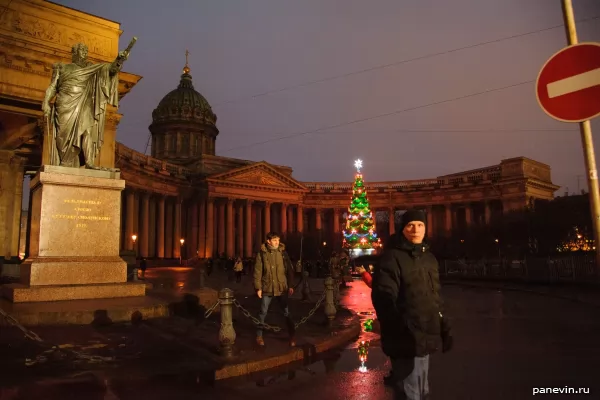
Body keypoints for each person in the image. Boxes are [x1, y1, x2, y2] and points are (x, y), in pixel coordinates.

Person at [371, 209, 453, 399]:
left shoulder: (429, 259)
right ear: (402, 229)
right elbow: (384, 298)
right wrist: (400, 327)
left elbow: (435, 298)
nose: (416, 229)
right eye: (410, 225)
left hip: (425, 338)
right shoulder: (392, 258)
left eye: (420, 225)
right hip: (405, 339)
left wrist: (444, 327)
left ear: (425, 229)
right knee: (410, 393)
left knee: (422, 391)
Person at [42, 43, 129, 170]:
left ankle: (89, 162)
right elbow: (52, 87)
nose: (84, 52)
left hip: (85, 102)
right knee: (63, 135)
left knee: (88, 130)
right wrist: (45, 102)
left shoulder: (91, 68)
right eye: (82, 49)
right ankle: (65, 161)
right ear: (74, 52)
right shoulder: (62, 68)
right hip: (65, 103)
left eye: (86, 50)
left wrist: (119, 60)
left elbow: (110, 69)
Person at [254, 232, 296, 347]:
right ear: (268, 241)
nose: (277, 242)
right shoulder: (262, 254)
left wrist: (291, 285)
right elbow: (258, 271)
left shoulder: (283, 253)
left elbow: (289, 270)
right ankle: (259, 335)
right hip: (267, 287)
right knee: (263, 312)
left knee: (287, 312)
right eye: (274, 240)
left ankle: (292, 336)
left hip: (281, 287)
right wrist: (258, 288)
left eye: (278, 240)